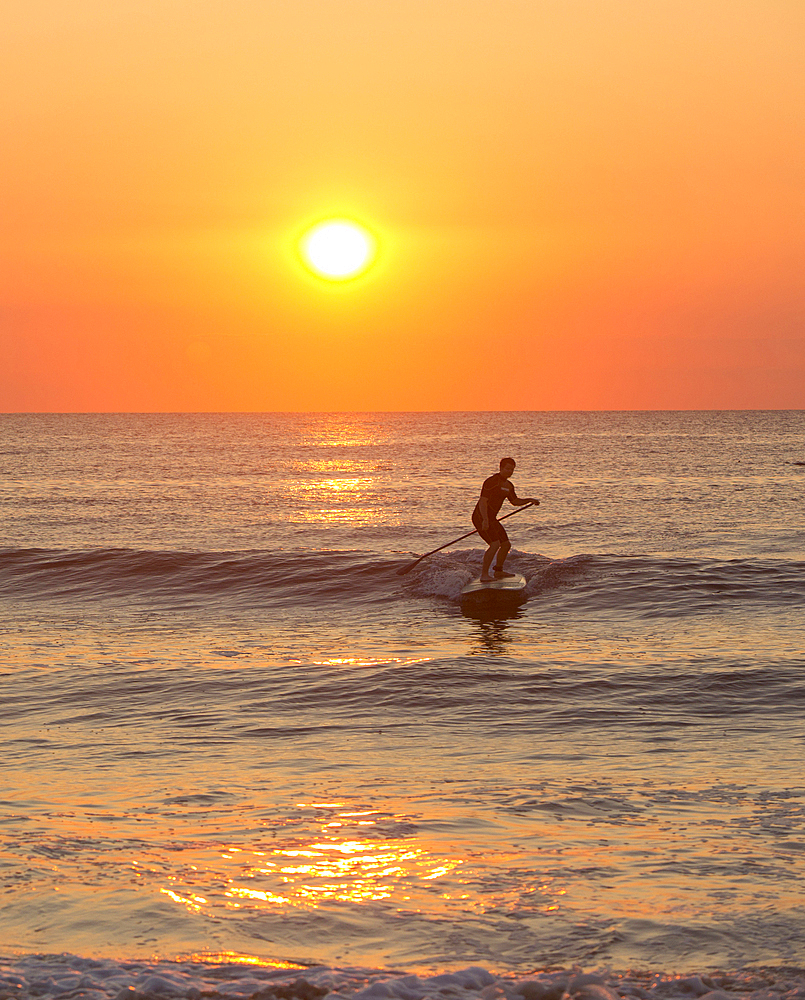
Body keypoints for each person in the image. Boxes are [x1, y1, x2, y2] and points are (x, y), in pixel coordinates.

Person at [472, 457, 538, 582]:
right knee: (495, 544)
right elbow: (483, 502)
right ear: (501, 468)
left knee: (506, 544)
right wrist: (485, 520)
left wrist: (529, 500)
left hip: (492, 518)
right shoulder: (491, 482)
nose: (510, 471)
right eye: (507, 469)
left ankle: (498, 572)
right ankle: (484, 575)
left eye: (512, 469)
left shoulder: (509, 486)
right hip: (480, 516)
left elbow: (515, 501)